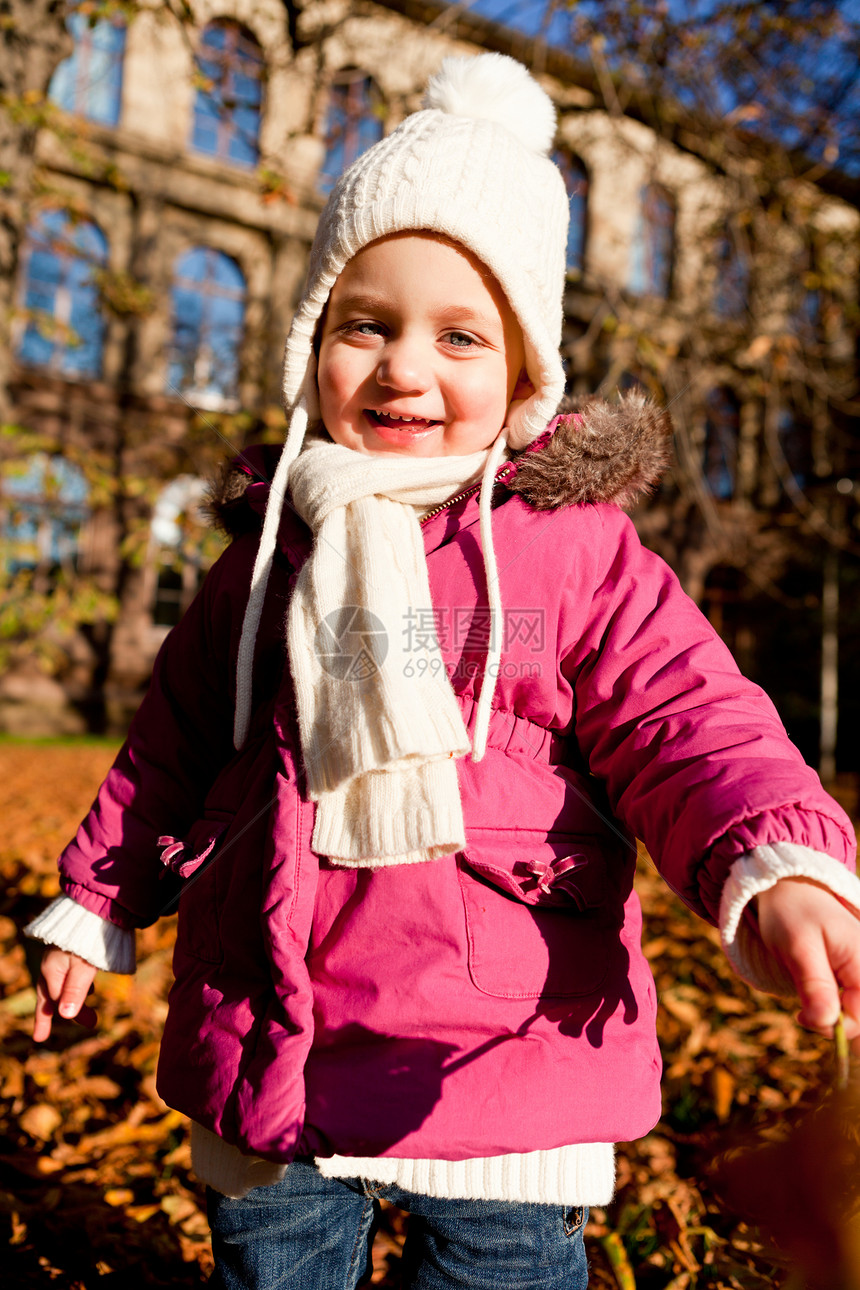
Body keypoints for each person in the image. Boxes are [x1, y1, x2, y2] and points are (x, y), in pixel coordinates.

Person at [27, 52, 860, 1290]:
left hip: (500, 1061)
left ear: (524, 376)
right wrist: (96, 906)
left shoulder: (570, 553)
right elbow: (173, 743)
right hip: (277, 1044)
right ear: (314, 340)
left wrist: (771, 856)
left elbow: (682, 717)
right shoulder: (268, 554)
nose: (404, 367)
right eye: (364, 324)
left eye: (459, 335)